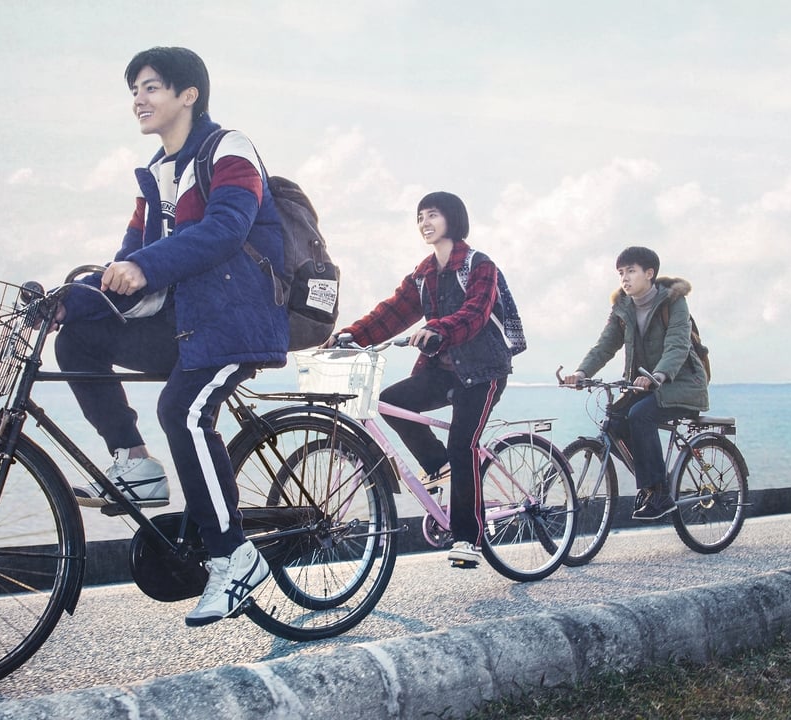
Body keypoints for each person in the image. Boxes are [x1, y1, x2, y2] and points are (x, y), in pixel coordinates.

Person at [53, 47, 287, 626]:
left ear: (189, 95)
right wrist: (67, 301)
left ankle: (234, 557)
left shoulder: (229, 149)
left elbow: (227, 226)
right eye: (134, 89)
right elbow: (128, 260)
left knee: (181, 410)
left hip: (235, 318)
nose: (139, 99)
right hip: (180, 323)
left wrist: (145, 266)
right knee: (78, 339)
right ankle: (135, 462)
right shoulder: (156, 175)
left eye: (151, 87)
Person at [326, 191, 512, 568]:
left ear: (453, 219)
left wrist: (439, 328)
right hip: (442, 371)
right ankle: (440, 466)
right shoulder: (424, 274)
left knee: (462, 445)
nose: (425, 223)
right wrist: (350, 335)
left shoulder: (479, 265)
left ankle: (468, 539)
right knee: (391, 402)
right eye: (420, 217)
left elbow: (475, 312)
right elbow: (391, 313)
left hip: (483, 371)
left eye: (433, 215)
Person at [561, 246, 708, 520]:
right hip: (644, 387)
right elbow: (605, 346)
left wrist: (659, 375)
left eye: (630, 271)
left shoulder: (673, 302)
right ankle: (653, 484)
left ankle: (659, 492)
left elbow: (677, 345)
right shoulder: (622, 307)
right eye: (620, 273)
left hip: (683, 384)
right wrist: (581, 373)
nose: (624, 278)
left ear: (649, 274)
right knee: (615, 422)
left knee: (640, 415)